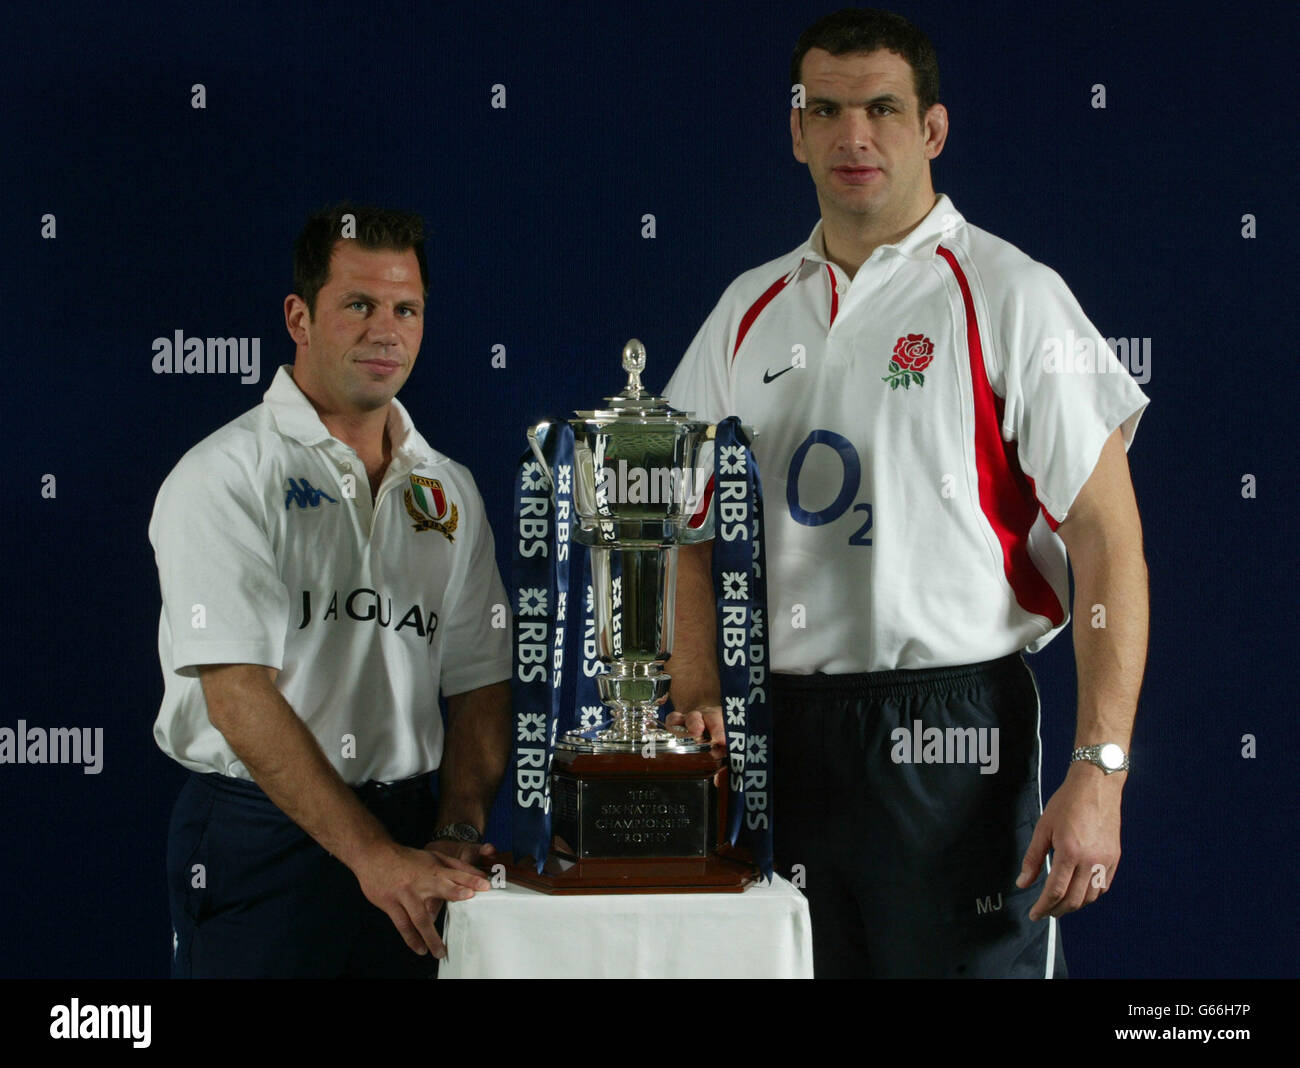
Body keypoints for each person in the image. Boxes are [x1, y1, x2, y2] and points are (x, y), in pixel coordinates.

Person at [663, 9, 1149, 978]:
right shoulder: (744, 314)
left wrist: (1100, 769)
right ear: (793, 128)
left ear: (930, 130)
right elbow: (678, 526)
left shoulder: (1008, 295)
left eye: (881, 108)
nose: (853, 136)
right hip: (781, 742)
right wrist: (695, 689)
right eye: (827, 110)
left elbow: (1106, 541)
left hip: (953, 733)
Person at [149, 203, 512, 978]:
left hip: (415, 839)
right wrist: (371, 856)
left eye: (406, 309)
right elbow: (238, 697)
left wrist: (453, 827)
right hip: (265, 839)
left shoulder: (451, 488)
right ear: (299, 317)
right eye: (359, 305)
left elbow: (480, 680)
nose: (387, 332)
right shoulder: (223, 476)